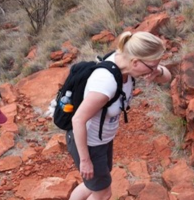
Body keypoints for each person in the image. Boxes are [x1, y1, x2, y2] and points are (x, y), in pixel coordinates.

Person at [67, 31, 173, 200]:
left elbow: (166, 77)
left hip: (102, 140)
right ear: (136, 62)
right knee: (103, 193)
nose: (153, 70)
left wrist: (157, 71)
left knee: (95, 183)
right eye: (152, 66)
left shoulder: (124, 60)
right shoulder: (105, 83)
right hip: (89, 143)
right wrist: (85, 160)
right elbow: (78, 119)